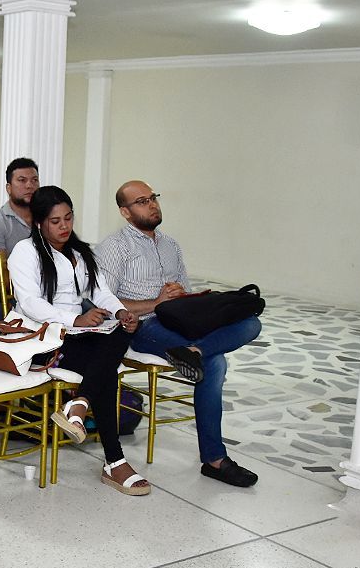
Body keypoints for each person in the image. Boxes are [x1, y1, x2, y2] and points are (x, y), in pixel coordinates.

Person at [98, 180, 260, 487]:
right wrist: (156, 302)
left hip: (179, 321)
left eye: (153, 198)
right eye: (142, 201)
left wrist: (186, 295)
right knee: (216, 364)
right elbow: (105, 301)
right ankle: (215, 460)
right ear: (125, 212)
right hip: (141, 325)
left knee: (251, 322)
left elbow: (182, 294)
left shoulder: (171, 245)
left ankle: (195, 351)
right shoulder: (115, 247)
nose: (152, 205)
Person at [8, 185, 149, 496]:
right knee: (106, 369)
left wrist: (121, 310)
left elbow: (100, 292)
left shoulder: (79, 252)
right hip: (42, 338)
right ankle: (114, 461)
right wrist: (75, 319)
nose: (64, 227)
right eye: (55, 221)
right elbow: (30, 302)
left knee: (122, 331)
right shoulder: (25, 252)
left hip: (78, 335)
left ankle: (79, 404)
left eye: (68, 218)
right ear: (39, 224)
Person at [0, 157, 40, 293]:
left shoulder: (48, 219)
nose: (29, 186)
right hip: (11, 300)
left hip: (53, 295)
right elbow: (1, 279)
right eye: (22, 180)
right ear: (9, 188)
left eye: (34, 180)